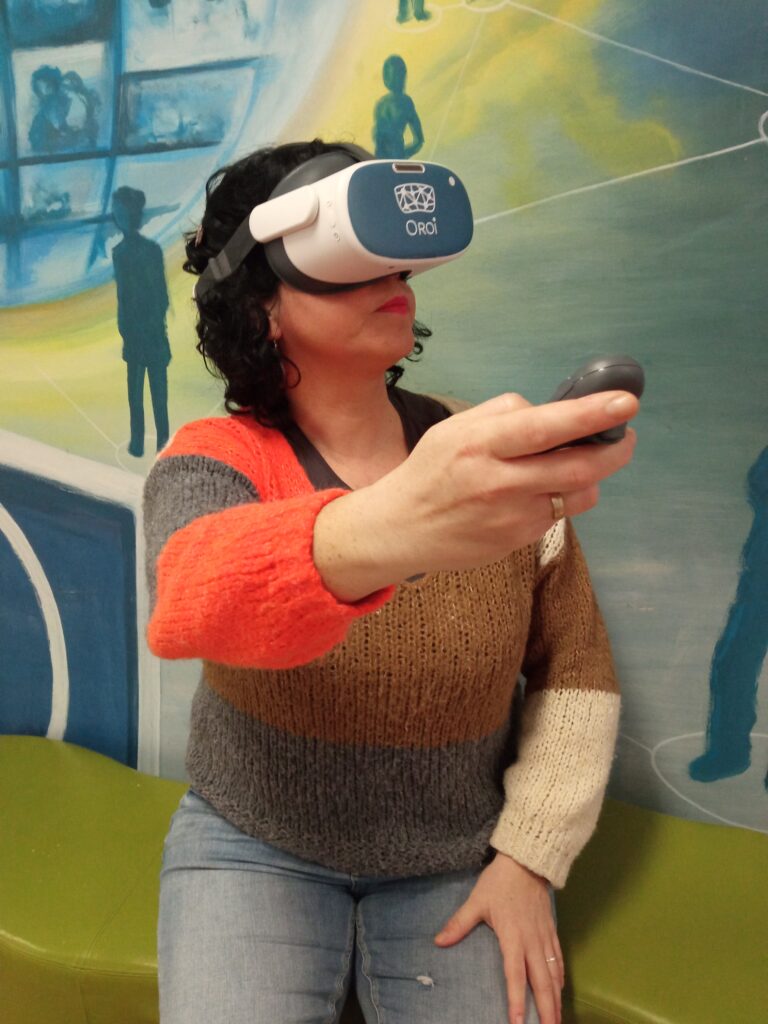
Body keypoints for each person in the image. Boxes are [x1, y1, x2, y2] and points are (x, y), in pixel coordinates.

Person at [143, 140, 638, 1024]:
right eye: (345, 262)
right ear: (262, 309)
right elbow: (192, 598)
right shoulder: (217, 460)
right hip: (252, 842)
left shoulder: (478, 457)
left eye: (395, 260)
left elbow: (577, 668)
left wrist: (529, 860)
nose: (389, 276)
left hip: (457, 858)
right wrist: (394, 527)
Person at [111, 186, 171, 457]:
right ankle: (153, 444)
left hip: (146, 335)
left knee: (147, 396)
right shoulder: (133, 252)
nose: (117, 216)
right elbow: (132, 297)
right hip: (144, 334)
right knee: (147, 396)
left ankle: (148, 444)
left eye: (120, 211)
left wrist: (136, 327)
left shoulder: (130, 253)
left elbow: (151, 296)